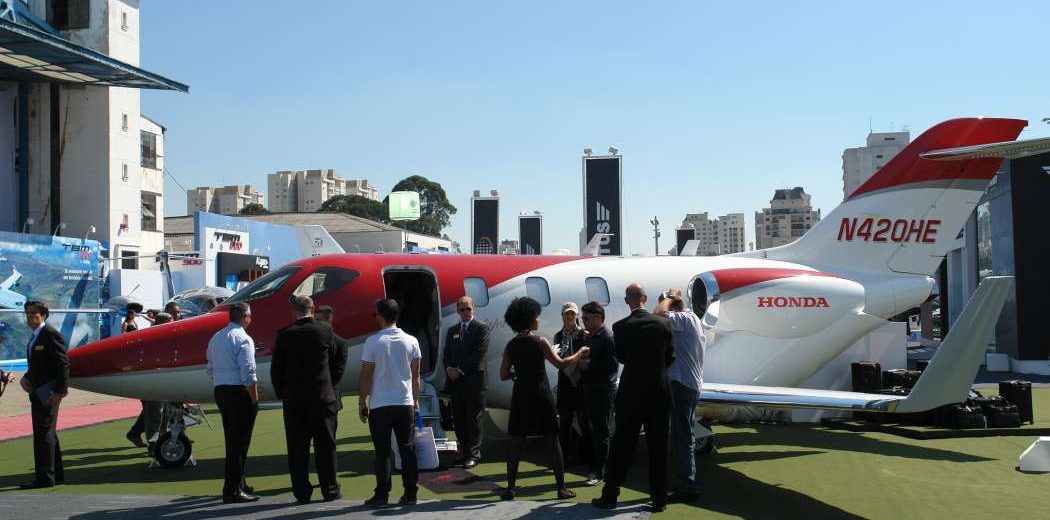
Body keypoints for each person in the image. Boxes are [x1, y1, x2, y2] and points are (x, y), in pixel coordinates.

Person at [592, 283, 675, 513]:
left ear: (627, 301)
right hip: (658, 391)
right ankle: (659, 499)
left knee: (621, 446)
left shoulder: (620, 327)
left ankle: (610, 495)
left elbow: (621, 357)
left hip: (631, 393)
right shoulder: (663, 324)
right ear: (645, 298)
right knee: (659, 448)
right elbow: (670, 356)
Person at [498, 297, 588, 501]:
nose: (538, 319)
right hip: (541, 395)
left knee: (516, 443)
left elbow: (503, 374)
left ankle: (510, 489)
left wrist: (518, 373)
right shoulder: (540, 342)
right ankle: (561, 488)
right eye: (536, 317)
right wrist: (579, 353)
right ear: (530, 320)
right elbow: (562, 364)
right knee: (552, 441)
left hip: (520, 396)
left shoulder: (511, 345)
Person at [271, 296, 342, 504]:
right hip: (322, 397)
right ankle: (330, 489)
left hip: (294, 401)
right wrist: (330, 384)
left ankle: (302, 492)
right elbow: (336, 358)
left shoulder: (284, 334)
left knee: (297, 448)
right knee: (326, 446)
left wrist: (282, 394)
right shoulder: (325, 330)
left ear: (294, 311)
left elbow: (277, 369)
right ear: (312, 309)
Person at [359, 299, 421, 507]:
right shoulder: (412, 341)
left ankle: (382, 494)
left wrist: (362, 402)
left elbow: (366, 376)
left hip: (380, 404)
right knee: (407, 450)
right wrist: (416, 400)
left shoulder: (372, 342)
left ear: (380, 316)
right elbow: (416, 375)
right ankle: (410, 493)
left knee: (382, 452)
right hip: (404, 402)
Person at [206, 302, 260, 504]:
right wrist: (254, 397)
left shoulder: (216, 337)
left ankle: (239, 482)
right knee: (240, 443)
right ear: (244, 317)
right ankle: (232, 489)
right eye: (249, 316)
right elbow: (248, 371)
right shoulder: (244, 338)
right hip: (238, 392)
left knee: (232, 439)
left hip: (221, 390)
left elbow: (210, 367)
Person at [655, 289, 705, 502]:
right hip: (688, 385)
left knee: (682, 437)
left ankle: (688, 486)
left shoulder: (683, 319)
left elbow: (657, 316)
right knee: (683, 436)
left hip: (682, 385)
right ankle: (686, 482)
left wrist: (667, 299)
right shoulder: (691, 320)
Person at [18, 301, 68, 489]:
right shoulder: (36, 335)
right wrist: (26, 377)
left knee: (43, 434)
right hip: (38, 391)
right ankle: (56, 474)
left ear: (44, 315)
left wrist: (60, 391)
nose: (30, 317)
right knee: (48, 433)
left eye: (34, 313)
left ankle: (44, 478)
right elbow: (40, 364)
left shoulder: (49, 333)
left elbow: (63, 363)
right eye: (28, 313)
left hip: (48, 392)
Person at [442, 296, 491, 468]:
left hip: (474, 381)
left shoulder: (481, 328)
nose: (465, 312)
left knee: (474, 419)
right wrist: (449, 368)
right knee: (459, 419)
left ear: (473, 309)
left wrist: (460, 370)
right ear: (457, 311)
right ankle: (464, 451)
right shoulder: (452, 330)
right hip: (456, 382)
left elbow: (479, 353)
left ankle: (474, 454)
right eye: (462, 309)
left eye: (468, 309)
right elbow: (447, 354)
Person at [578, 301, 619, 487]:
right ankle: (598, 466)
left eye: (586, 318)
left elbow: (612, 366)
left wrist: (588, 365)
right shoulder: (591, 337)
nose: (583, 321)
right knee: (596, 429)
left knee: (602, 431)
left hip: (603, 389)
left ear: (597, 318)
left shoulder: (607, 337)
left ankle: (600, 471)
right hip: (592, 388)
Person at [126, 311, 174, 451]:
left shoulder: (167, 339)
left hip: (164, 382)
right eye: (169, 323)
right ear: (160, 323)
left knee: (162, 413)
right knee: (154, 414)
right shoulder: (149, 339)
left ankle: (159, 441)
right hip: (151, 382)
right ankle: (154, 444)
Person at [553, 302, 589, 470]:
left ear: (577, 316)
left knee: (583, 421)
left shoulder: (584, 335)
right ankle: (563, 458)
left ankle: (585, 455)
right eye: (566, 314)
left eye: (572, 314)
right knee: (564, 423)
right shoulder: (558, 336)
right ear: (562, 316)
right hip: (565, 382)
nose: (569, 317)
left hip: (580, 383)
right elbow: (557, 358)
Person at [316, 305, 349, 429]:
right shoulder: (309, 342)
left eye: (318, 320)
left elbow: (337, 375)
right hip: (311, 401)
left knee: (329, 436)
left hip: (329, 400)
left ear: (329, 320)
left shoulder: (340, 343)